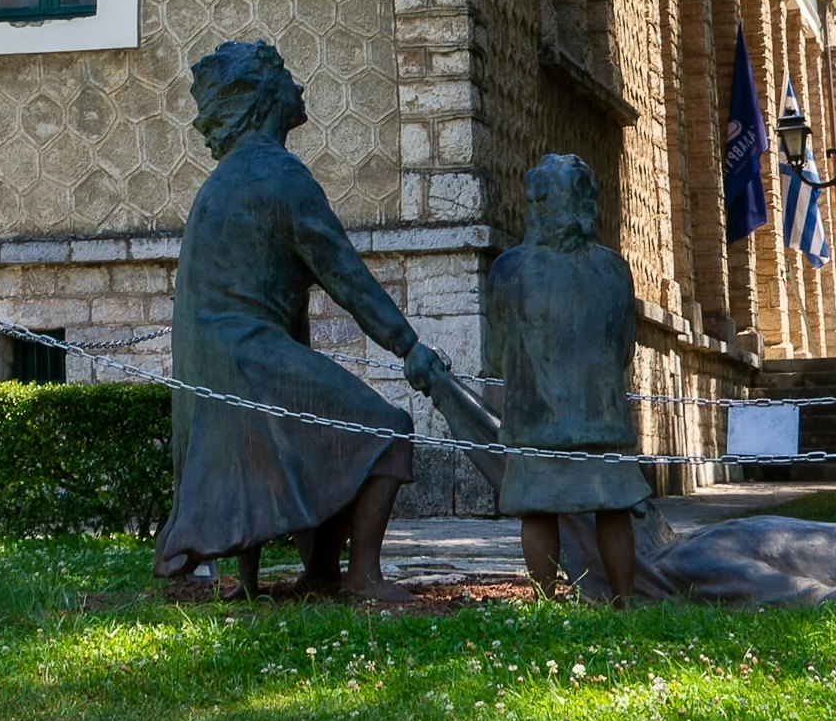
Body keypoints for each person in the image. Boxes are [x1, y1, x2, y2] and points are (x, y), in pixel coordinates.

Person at [152, 38, 467, 599]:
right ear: (268, 97)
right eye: (287, 78)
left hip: (222, 363)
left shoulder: (221, 183)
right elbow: (346, 276)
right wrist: (409, 346)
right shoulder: (280, 177)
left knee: (321, 441)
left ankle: (317, 574)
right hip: (248, 358)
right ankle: (363, 579)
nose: (299, 87)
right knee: (384, 431)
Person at [484, 153, 646, 603]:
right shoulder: (614, 270)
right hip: (602, 421)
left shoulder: (508, 270)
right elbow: (626, 350)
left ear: (536, 203)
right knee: (612, 507)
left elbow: (498, 357)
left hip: (536, 419)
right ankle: (624, 598)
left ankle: (546, 599)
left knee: (538, 508)